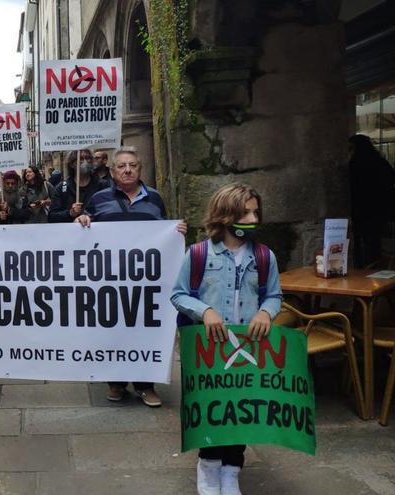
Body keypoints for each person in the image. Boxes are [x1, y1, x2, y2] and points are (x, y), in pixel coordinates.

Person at [170, 183, 282, 495]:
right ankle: (208, 467)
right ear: (226, 214)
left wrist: (265, 313)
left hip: (247, 347)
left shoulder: (264, 257)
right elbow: (179, 295)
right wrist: (204, 310)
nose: (252, 217)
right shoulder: (198, 254)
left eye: (255, 212)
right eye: (245, 211)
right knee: (212, 409)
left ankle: (232, 468)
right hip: (211, 349)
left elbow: (273, 295)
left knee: (241, 409)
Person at [77, 147, 187, 407]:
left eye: (133, 165)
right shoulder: (99, 197)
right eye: (122, 166)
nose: (127, 170)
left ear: (140, 169)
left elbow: (163, 231)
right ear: (113, 172)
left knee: (143, 329)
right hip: (109, 280)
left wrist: (176, 231)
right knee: (112, 329)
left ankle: (145, 385)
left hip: (144, 281)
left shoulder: (155, 198)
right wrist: (82, 219)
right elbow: (87, 226)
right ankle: (115, 382)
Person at [348, 134, 395, 267]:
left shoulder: (354, 164)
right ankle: (374, 266)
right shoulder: (379, 161)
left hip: (363, 208)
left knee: (360, 240)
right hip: (377, 208)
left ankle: (363, 267)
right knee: (374, 241)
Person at [49, 149, 106, 223]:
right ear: (72, 164)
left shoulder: (102, 185)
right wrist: (70, 213)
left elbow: (108, 212)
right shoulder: (62, 188)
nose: (85, 161)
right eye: (81, 159)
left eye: (88, 158)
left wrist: (89, 217)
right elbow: (52, 217)